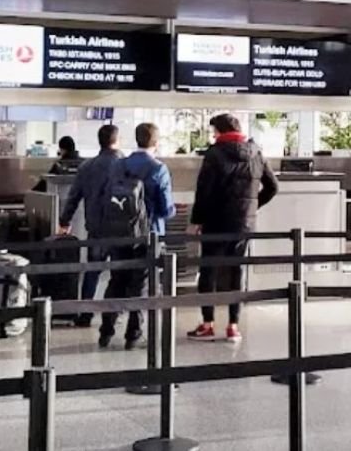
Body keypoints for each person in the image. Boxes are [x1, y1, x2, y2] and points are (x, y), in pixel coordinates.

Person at [186, 114, 279, 343]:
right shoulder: (256, 152)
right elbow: (273, 187)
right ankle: (233, 327)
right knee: (236, 271)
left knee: (208, 271)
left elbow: (204, 191)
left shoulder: (214, 154)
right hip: (243, 224)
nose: (213, 136)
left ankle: (207, 325)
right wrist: (251, 207)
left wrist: (197, 220)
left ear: (220, 130)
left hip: (216, 222)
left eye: (214, 131)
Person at [92, 123, 177, 349]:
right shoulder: (158, 169)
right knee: (142, 284)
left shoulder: (119, 165)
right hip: (148, 235)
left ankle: (106, 331)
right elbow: (166, 209)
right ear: (156, 142)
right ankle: (133, 334)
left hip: (119, 233)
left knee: (116, 281)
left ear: (136, 140)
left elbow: (107, 195)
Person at [57, 125, 140, 342]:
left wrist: (64, 221)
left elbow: (74, 197)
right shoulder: (127, 166)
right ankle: (113, 315)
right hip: (122, 230)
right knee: (118, 276)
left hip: (95, 229)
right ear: (117, 140)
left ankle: (85, 313)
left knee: (92, 271)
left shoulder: (87, 167)